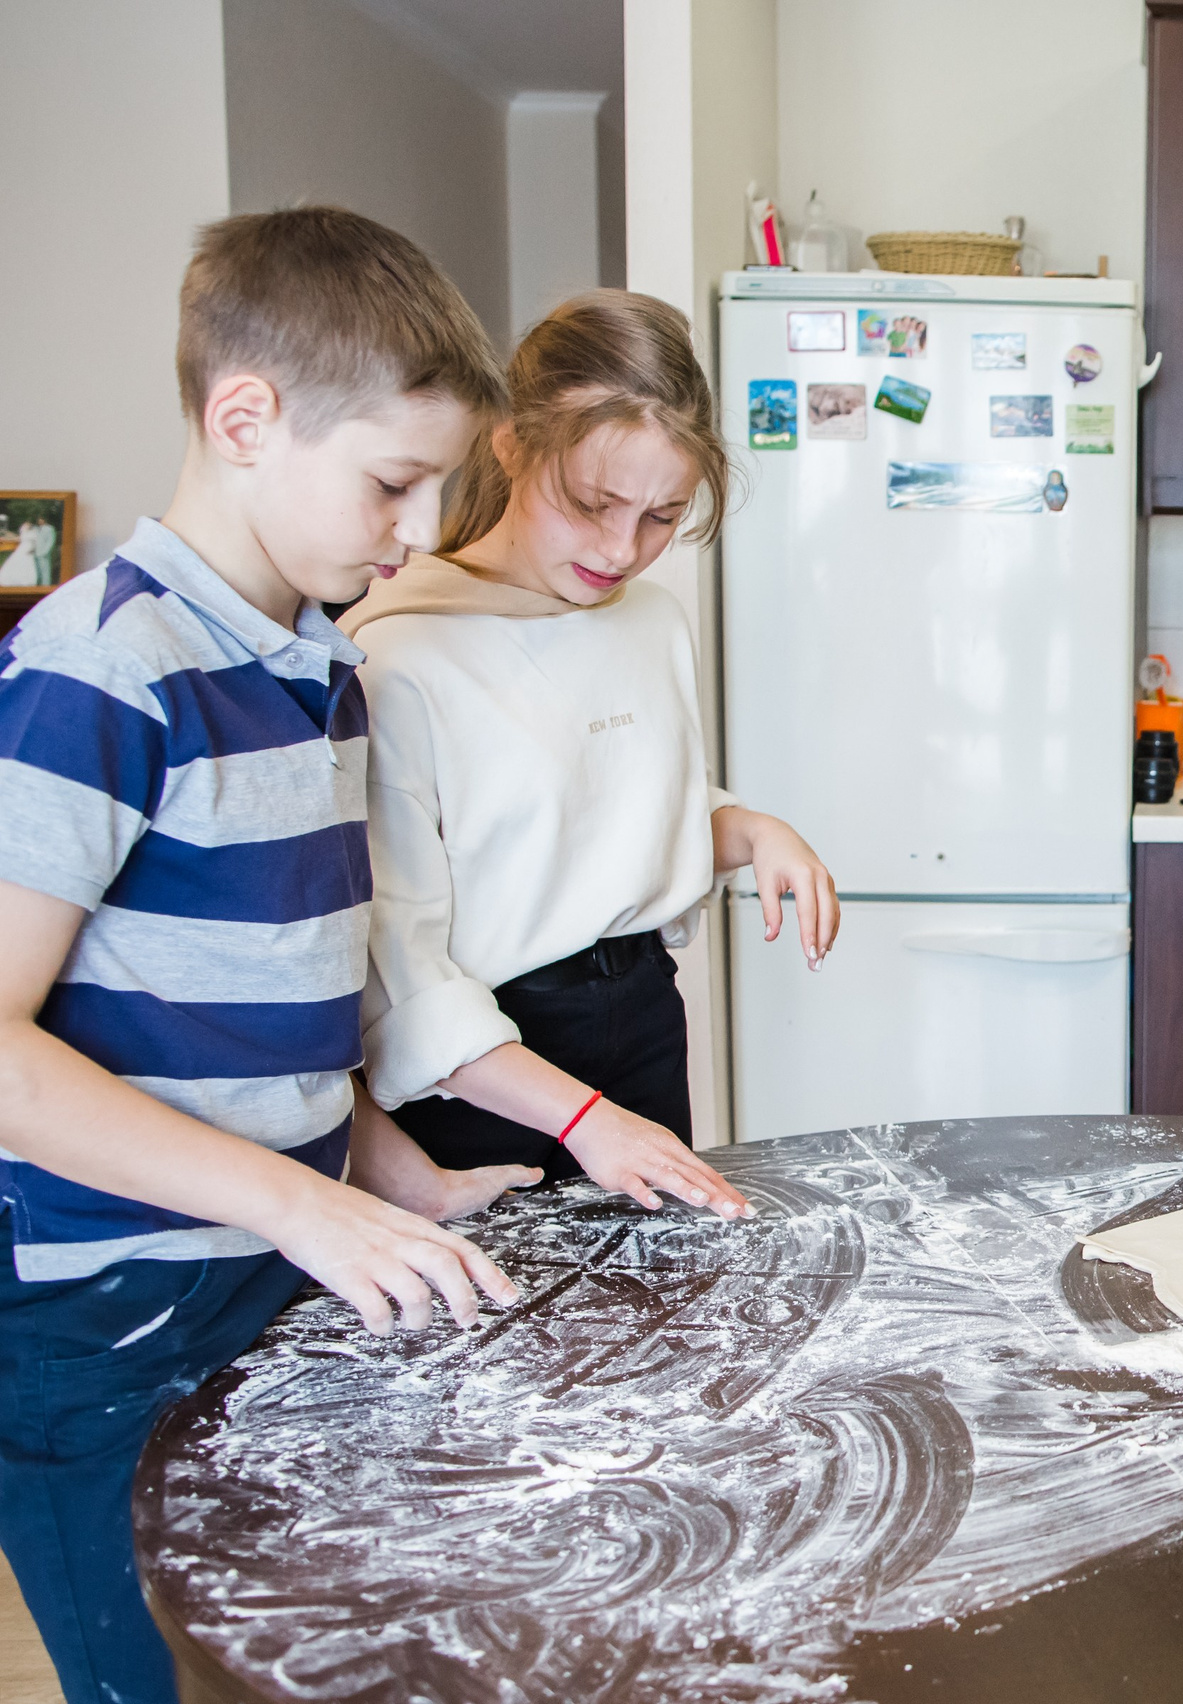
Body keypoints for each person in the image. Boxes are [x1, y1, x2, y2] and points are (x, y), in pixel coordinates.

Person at [0, 208, 531, 1704]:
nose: (416, 532)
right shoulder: (100, 670)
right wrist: (307, 1205)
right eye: (393, 483)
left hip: (266, 1271)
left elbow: (256, 1012)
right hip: (106, 1319)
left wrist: (388, 1173)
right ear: (246, 420)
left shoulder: (316, 669)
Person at [341, 289, 838, 1210]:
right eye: (592, 504)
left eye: (662, 516)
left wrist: (753, 831)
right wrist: (581, 1119)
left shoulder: (650, 620)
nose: (621, 549)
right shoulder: (399, 653)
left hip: (644, 1020)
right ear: (509, 446)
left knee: (665, 1291)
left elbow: (629, 819)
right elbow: (403, 975)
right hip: (487, 1071)